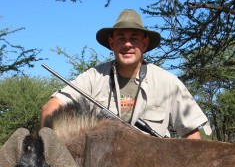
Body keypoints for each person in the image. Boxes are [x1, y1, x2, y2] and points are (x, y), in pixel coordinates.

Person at [40, 9, 211, 139]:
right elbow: (50, 108)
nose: (127, 44)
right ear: (112, 43)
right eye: (121, 38)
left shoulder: (168, 82)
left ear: (144, 44)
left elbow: (192, 136)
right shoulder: (93, 77)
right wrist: (51, 150)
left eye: (134, 38)